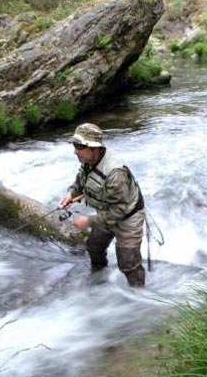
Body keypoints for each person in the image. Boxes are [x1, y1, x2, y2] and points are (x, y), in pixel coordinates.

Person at [58, 123, 146, 287]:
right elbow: (79, 183)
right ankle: (98, 281)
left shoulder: (115, 173)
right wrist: (70, 194)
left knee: (128, 263)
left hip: (128, 217)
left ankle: (139, 294)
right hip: (106, 212)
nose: (75, 150)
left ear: (95, 148)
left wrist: (88, 221)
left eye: (80, 146)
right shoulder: (87, 160)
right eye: (74, 145)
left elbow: (119, 212)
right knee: (94, 246)